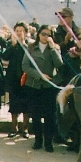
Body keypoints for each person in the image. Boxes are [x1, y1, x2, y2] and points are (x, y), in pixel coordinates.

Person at [22, 24, 63, 152]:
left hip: (48, 86)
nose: (45, 37)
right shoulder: (31, 47)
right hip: (34, 85)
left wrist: (52, 49)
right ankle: (38, 140)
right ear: (38, 34)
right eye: (43, 34)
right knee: (35, 114)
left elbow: (59, 64)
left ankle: (48, 142)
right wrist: (40, 75)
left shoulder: (55, 48)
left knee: (49, 115)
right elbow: (25, 66)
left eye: (48, 34)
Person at [4, 21, 32, 139]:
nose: (19, 33)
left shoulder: (29, 46)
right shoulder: (11, 44)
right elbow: (4, 57)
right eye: (17, 31)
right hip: (13, 79)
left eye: (22, 31)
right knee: (14, 104)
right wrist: (13, 45)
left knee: (27, 105)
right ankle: (13, 127)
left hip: (26, 78)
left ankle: (24, 128)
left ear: (25, 33)